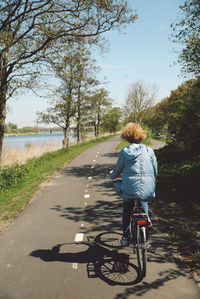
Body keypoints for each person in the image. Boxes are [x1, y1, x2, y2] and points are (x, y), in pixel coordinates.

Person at [109, 123, 158, 246]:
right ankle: (146, 218)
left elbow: (117, 171)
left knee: (127, 209)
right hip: (148, 188)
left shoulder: (125, 152)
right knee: (143, 198)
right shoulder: (149, 150)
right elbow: (155, 170)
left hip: (129, 190)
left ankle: (125, 238)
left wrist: (111, 175)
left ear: (126, 136)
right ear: (141, 136)